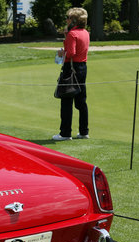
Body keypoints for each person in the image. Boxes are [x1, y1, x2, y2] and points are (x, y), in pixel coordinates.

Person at [53, 7, 90, 141]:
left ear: (74, 20)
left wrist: (62, 52)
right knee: (81, 101)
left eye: (68, 18)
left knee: (66, 100)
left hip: (71, 68)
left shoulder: (72, 34)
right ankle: (84, 131)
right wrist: (66, 38)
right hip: (82, 67)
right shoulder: (85, 32)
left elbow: (71, 53)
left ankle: (65, 133)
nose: (66, 20)